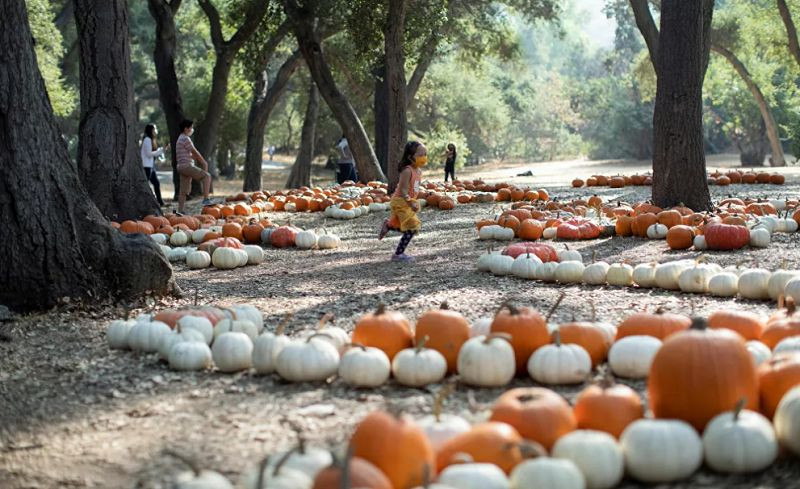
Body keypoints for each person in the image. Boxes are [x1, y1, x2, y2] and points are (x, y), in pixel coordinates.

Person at [378, 141, 427, 262]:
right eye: (420, 155)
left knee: (410, 228)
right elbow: (404, 190)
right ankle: (398, 254)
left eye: (425, 154)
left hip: (408, 201)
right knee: (412, 227)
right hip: (400, 201)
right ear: (410, 157)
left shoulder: (419, 171)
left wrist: (416, 200)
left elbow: (414, 189)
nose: (424, 157)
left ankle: (389, 226)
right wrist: (410, 202)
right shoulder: (407, 171)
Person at [175, 119, 212, 214]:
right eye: (191, 127)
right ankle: (206, 199)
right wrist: (203, 162)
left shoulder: (180, 138)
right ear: (186, 129)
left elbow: (187, 154)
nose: (192, 129)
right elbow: (194, 151)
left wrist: (194, 158)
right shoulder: (185, 139)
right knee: (206, 176)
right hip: (187, 166)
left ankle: (180, 211)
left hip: (181, 167)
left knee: (183, 191)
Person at [140, 124, 169, 206]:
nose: (156, 131)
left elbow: (153, 153)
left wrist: (161, 150)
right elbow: (149, 154)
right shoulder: (147, 140)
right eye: (154, 129)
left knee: (156, 183)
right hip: (146, 166)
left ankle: (160, 202)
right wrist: (161, 150)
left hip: (150, 166)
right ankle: (145, 202)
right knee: (146, 185)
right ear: (151, 130)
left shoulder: (150, 140)